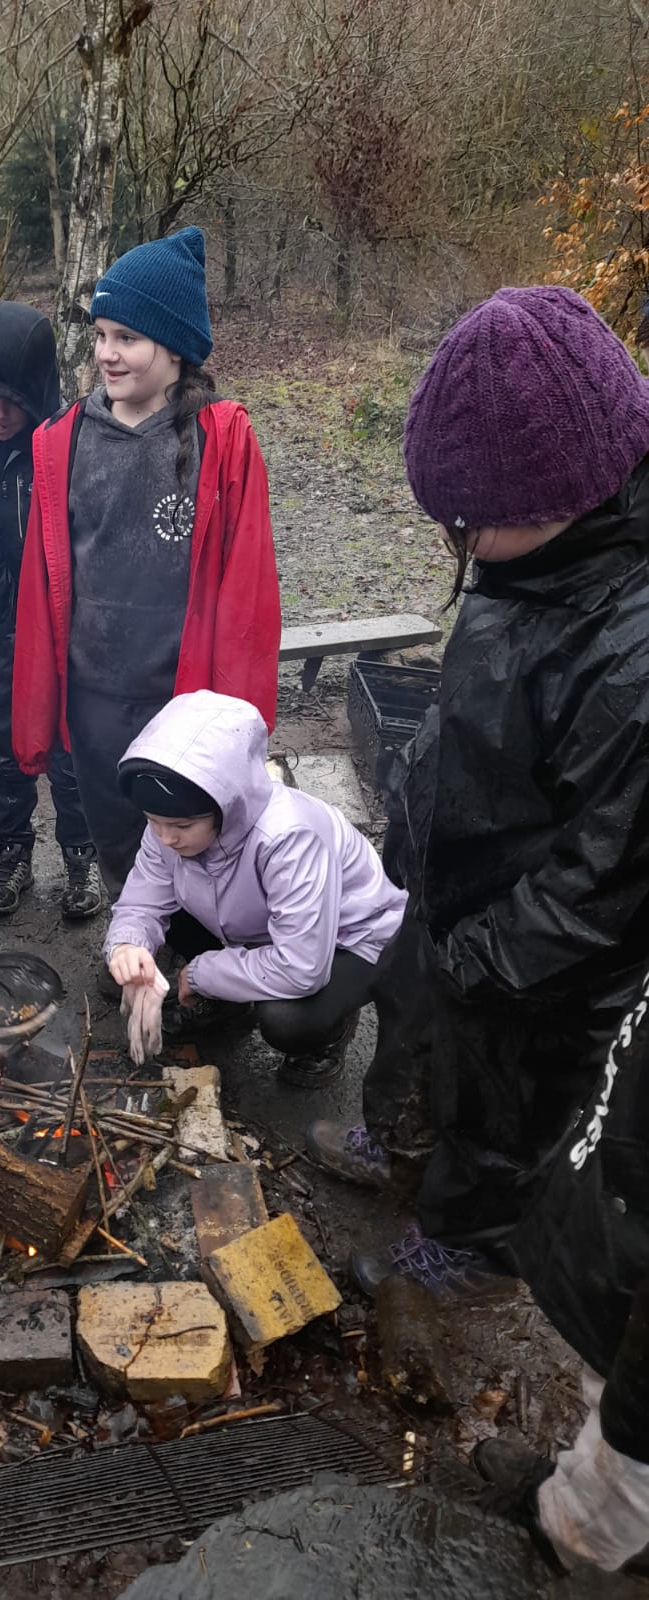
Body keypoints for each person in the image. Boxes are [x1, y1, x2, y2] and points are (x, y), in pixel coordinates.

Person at [332, 287, 649, 1300]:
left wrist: (480, 957)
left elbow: (604, 887)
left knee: (505, 1104)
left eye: (464, 526)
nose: (455, 545)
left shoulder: (630, 649)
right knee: (412, 1024)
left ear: (548, 503)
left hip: (536, 960)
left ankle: (470, 1247)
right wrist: (412, 808)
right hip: (459, 889)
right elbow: (475, 705)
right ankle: (396, 1140)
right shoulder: (536, 561)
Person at [12, 227, 281, 899]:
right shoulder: (64, 441)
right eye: (101, 335)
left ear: (174, 346)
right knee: (118, 843)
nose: (107, 353)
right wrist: (39, 709)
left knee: (192, 846)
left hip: (182, 700)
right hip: (96, 697)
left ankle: (195, 947)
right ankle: (130, 934)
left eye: (127, 338)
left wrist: (240, 727)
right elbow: (41, 586)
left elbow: (248, 594)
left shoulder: (222, 438)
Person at [105, 691, 407, 1086]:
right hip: (258, 922)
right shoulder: (170, 827)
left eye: (181, 826)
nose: (165, 837)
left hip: (348, 940)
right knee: (166, 917)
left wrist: (201, 974)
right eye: (152, 820)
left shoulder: (290, 837)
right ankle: (231, 1001)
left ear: (226, 805)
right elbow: (143, 901)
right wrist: (128, 945)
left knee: (287, 1019)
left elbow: (301, 967)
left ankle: (331, 1031)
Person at [473, 971, 649, 1577]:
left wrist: (635, 1413)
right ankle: (581, 1486)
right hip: (627, 1201)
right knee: (610, 1391)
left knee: (628, 1448)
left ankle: (567, 1535)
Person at [0, 301, 100, 919]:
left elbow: (83, 537)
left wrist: (56, 618)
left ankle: (81, 858)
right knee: (2, 738)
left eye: (12, 400)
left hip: (67, 620)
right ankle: (10, 856)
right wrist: (14, 620)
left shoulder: (68, 440)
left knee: (69, 740)